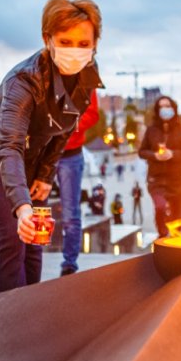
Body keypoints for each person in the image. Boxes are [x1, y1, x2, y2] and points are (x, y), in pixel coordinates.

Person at [0, 0, 104, 293]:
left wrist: (45, 176)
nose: (75, 51)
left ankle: (30, 310)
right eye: (65, 42)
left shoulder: (87, 76)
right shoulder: (24, 81)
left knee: (38, 235)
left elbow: (64, 128)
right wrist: (22, 206)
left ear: (95, 44)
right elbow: (8, 145)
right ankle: (8, 317)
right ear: (47, 39)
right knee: (14, 232)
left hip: (33, 158)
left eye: (83, 43)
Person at [138, 96, 181, 238]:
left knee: (177, 214)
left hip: (177, 179)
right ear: (158, 110)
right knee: (160, 207)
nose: (165, 109)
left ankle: (175, 240)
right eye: (162, 106)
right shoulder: (151, 130)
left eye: (168, 106)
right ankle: (162, 235)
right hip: (156, 179)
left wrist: (173, 154)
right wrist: (155, 155)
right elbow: (142, 152)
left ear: (173, 108)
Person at [55, 92, 100, 276]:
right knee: (34, 208)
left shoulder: (84, 77)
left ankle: (69, 264)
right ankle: (30, 259)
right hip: (42, 151)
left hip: (70, 154)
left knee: (70, 213)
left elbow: (92, 114)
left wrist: (67, 126)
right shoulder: (43, 72)